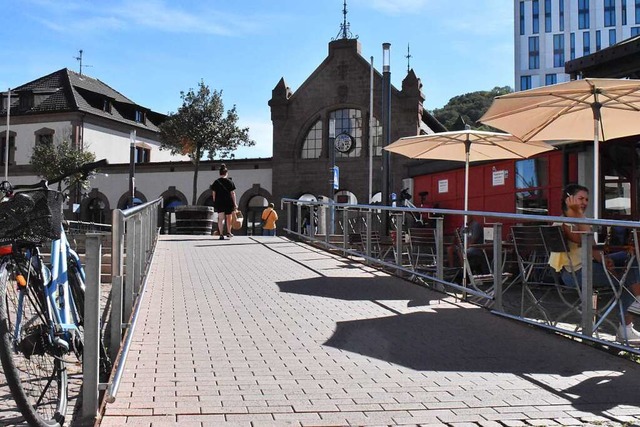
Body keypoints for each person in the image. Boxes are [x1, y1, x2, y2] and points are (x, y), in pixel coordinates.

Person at [549, 183, 640, 344]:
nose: (584, 202)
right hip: (577, 274)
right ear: (568, 199)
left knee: (632, 257)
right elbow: (585, 239)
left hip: (585, 267)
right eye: (580, 198)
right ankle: (626, 326)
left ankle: (635, 302)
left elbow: (591, 247)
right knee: (629, 278)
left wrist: (604, 260)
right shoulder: (563, 223)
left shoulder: (571, 220)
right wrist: (578, 213)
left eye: (586, 199)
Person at [211, 163, 237, 240]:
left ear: (220, 173)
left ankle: (221, 234)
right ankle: (229, 232)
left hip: (220, 202)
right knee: (229, 218)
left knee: (221, 218)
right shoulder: (230, 182)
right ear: (226, 173)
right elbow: (232, 193)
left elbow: (214, 193)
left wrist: (215, 201)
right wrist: (235, 203)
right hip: (228, 202)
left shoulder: (216, 182)